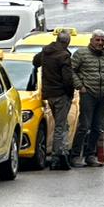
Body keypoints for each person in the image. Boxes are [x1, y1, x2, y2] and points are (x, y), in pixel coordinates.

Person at [70, 31, 104, 167]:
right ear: (91, 40)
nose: (100, 43)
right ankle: (75, 156)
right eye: (97, 40)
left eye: (102, 40)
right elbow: (71, 70)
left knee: (98, 126)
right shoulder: (81, 54)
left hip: (103, 95)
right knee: (84, 126)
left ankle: (90, 155)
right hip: (88, 94)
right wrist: (80, 86)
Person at [33, 28, 76, 170]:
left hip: (49, 94)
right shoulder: (64, 55)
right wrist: (70, 93)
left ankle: (62, 151)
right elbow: (67, 79)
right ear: (67, 42)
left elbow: (35, 61)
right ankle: (57, 157)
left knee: (61, 124)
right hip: (61, 95)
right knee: (60, 126)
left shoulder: (46, 51)